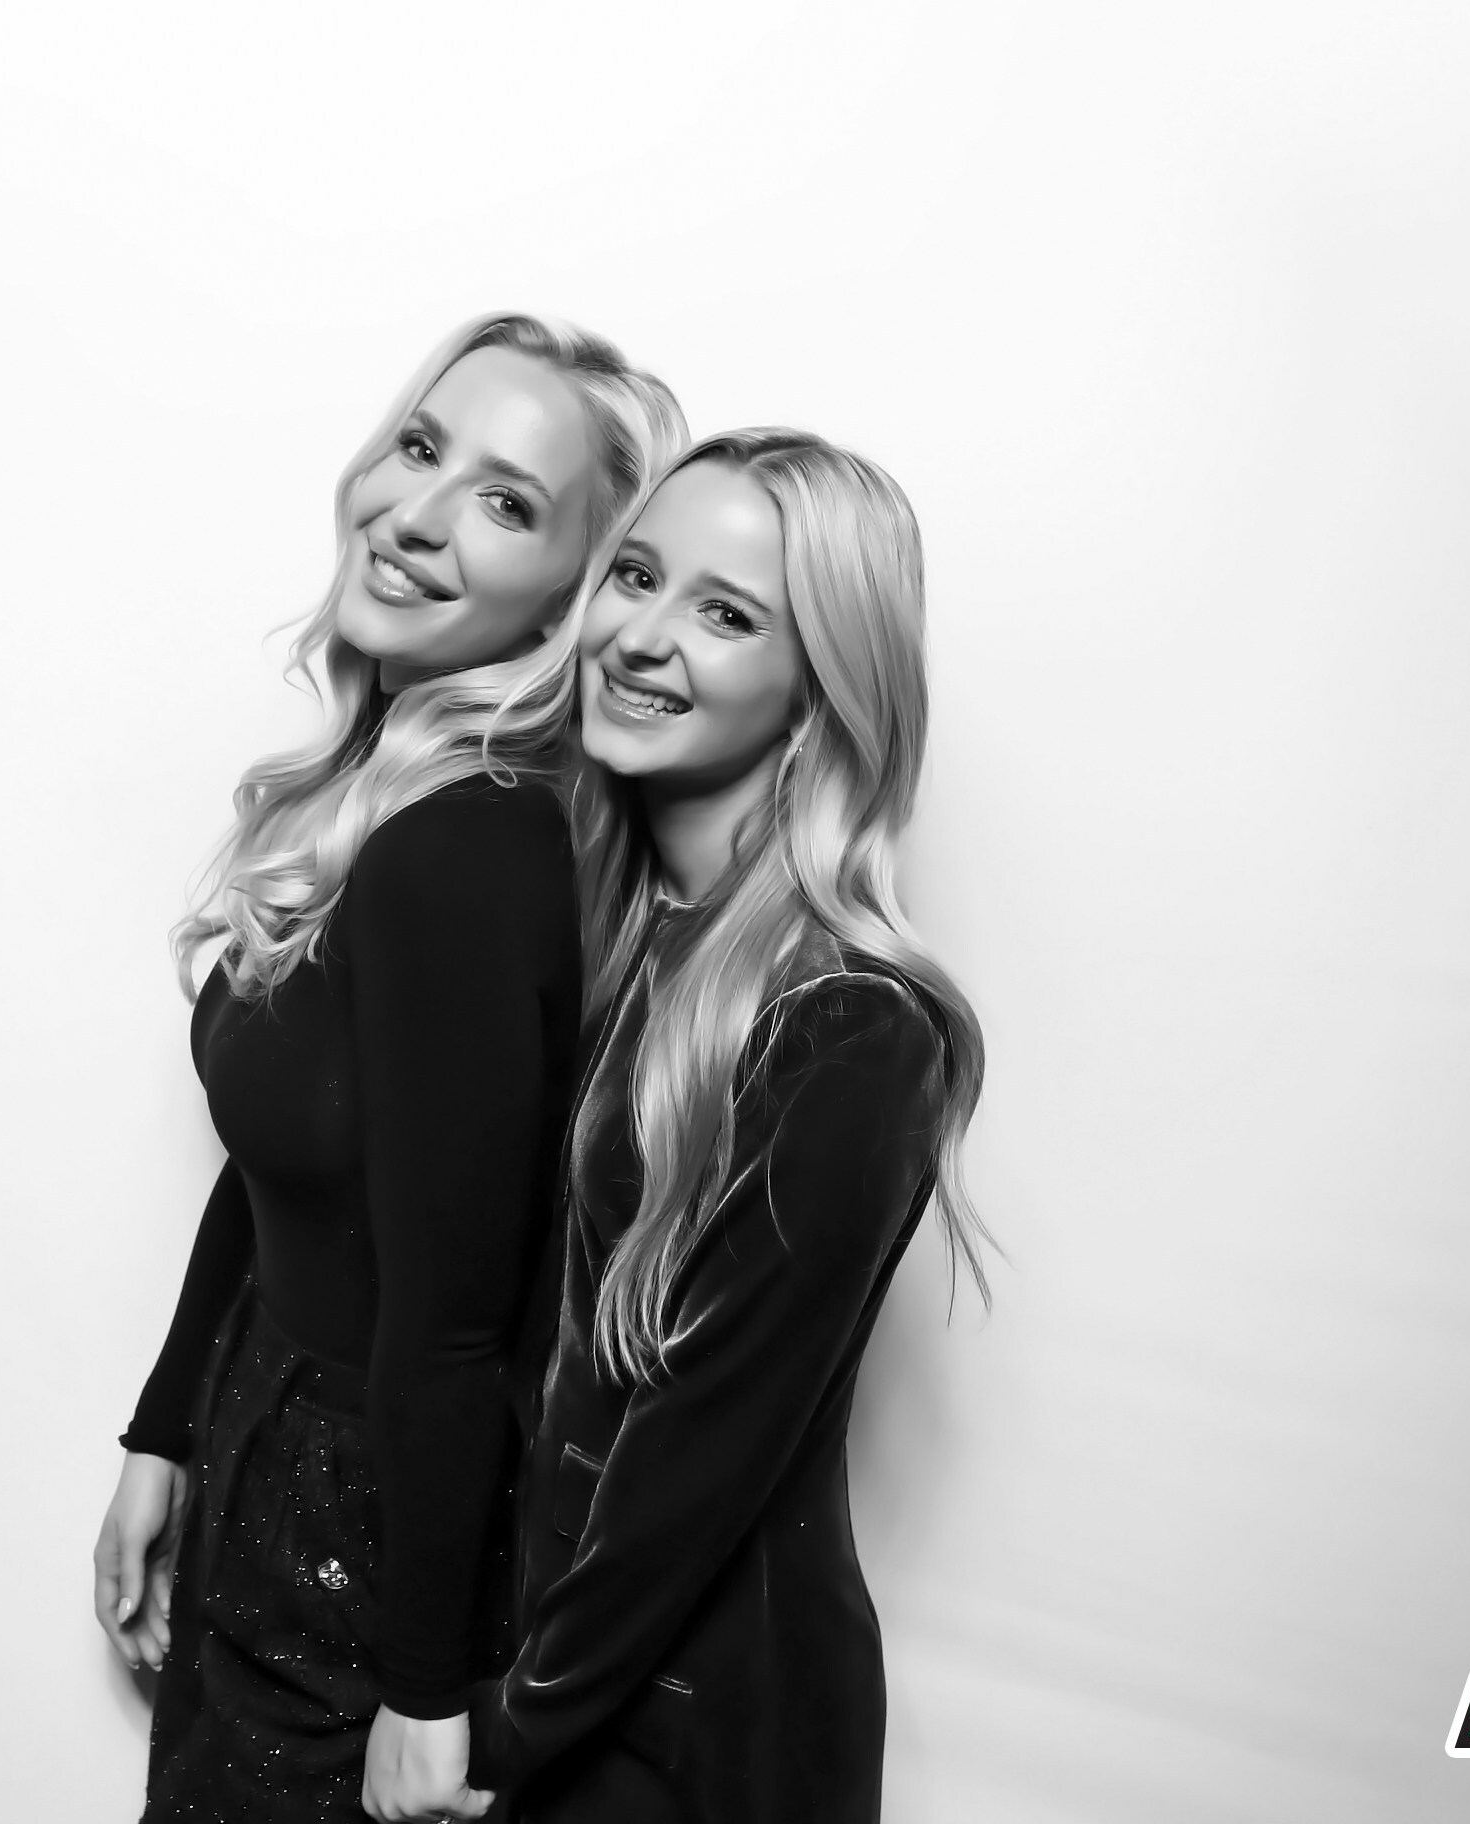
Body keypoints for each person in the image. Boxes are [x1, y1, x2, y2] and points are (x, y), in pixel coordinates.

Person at [91, 314, 686, 1823]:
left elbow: (452, 1323)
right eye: (422, 447)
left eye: (507, 503)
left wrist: (422, 1690)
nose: (418, 516)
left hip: (364, 1526)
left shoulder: (466, 849)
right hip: (279, 1444)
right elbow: (300, 1165)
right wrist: (169, 1428)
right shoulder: (386, 799)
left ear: (571, 595)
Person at [444, 430, 989, 1822]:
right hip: (557, 1697)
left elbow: (691, 1471)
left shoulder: (851, 1030)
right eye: (636, 576)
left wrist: (489, 1735)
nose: (642, 636)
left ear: (822, 693)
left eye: (727, 614)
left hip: (697, 1753)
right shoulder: (616, 944)